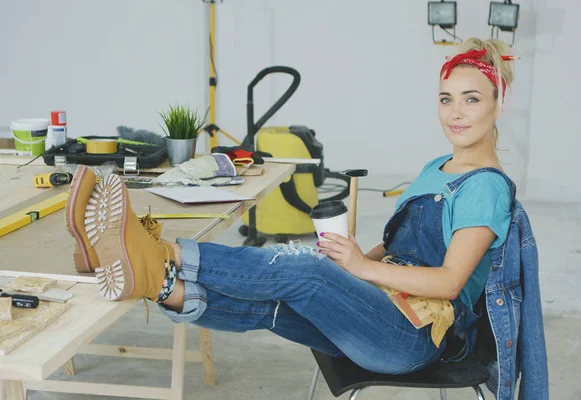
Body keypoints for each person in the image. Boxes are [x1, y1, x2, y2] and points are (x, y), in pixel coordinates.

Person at [65, 37, 547, 399]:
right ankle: (158, 283)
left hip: (415, 337)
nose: (455, 113)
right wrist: (353, 260)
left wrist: (357, 268)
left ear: (498, 103)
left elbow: (447, 282)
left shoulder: (484, 187)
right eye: (446, 99)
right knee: (278, 300)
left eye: (472, 98)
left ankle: (160, 254)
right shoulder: (436, 168)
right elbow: (400, 250)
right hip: (384, 306)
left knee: (302, 270)